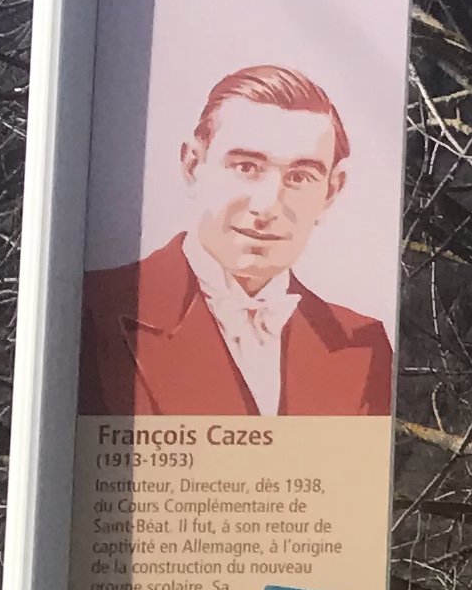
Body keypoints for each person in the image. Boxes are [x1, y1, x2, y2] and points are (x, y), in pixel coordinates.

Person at [76, 64, 394, 418]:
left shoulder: (363, 343)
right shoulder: (92, 310)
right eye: (246, 167)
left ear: (331, 191)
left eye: (301, 176)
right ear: (193, 165)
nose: (268, 205)